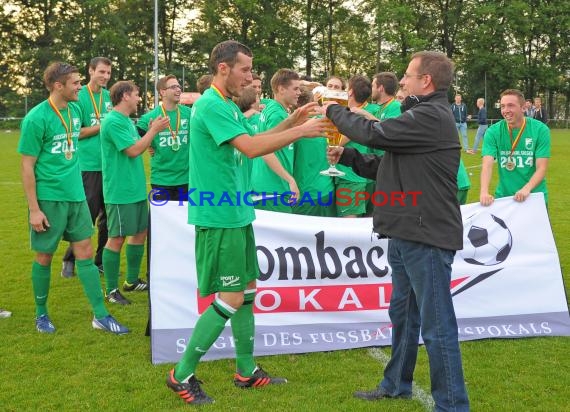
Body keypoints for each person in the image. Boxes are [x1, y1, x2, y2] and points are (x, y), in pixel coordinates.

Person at [165, 40, 329, 405]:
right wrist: (301, 132)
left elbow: (254, 139)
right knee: (232, 295)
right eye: (245, 70)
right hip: (219, 215)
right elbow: (252, 150)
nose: (251, 78)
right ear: (223, 68)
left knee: (248, 289)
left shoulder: (225, 104)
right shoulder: (211, 104)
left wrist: (292, 120)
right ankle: (181, 373)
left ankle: (245, 370)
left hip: (237, 211)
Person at [325, 51, 470, 411]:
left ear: (427, 82)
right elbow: (387, 169)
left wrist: (332, 109)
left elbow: (372, 133)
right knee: (403, 316)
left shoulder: (431, 116)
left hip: (427, 236)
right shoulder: (420, 116)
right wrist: (348, 158)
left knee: (437, 328)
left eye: (407, 75)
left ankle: (452, 405)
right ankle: (396, 384)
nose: (401, 81)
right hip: (406, 232)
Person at [18, 62, 128, 335]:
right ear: (58, 86)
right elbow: (26, 166)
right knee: (45, 256)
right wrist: (34, 209)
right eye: (75, 82)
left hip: (76, 195)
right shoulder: (36, 118)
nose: (79, 86)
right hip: (49, 198)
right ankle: (41, 314)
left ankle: (100, 315)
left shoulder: (75, 110)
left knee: (86, 254)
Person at [100, 81, 170, 305]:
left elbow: (139, 144)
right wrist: (153, 131)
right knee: (116, 238)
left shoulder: (126, 121)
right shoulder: (112, 121)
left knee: (140, 233)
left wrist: (149, 136)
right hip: (120, 191)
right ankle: (111, 290)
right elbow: (133, 151)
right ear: (125, 96)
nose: (139, 98)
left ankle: (131, 281)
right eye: (137, 94)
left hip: (135, 189)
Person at [61, 57, 112, 278]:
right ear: (90, 71)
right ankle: (69, 260)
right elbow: (77, 132)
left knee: (109, 217)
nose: (105, 77)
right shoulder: (79, 97)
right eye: (101, 72)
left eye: (108, 73)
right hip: (89, 165)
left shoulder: (110, 96)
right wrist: (103, 126)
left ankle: (100, 261)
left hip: (110, 165)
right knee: (87, 215)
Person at [480, 89, 550, 206]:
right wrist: (484, 192)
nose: (506, 110)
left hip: (534, 198)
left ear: (523, 108)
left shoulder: (540, 130)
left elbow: (541, 168)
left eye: (510, 105)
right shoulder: (492, 132)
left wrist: (527, 189)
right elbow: (487, 165)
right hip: (505, 199)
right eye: (503, 106)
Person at [251, 68, 301, 213]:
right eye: (295, 88)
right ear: (281, 89)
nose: (299, 92)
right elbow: (265, 151)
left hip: (266, 186)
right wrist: (290, 180)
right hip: (273, 189)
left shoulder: (272, 107)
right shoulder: (277, 114)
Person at [137, 75, 191, 202]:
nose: (178, 89)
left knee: (183, 221)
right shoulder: (149, 117)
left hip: (186, 180)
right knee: (160, 221)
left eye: (179, 86)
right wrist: (150, 139)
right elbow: (135, 144)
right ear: (162, 92)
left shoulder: (189, 114)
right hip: (161, 180)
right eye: (173, 87)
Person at [293, 87, 336, 217]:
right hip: (324, 190)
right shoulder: (326, 123)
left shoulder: (289, 126)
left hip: (303, 193)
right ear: (313, 103)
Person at [336, 75, 375, 218]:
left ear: (350, 92)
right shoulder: (353, 112)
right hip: (345, 175)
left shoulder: (357, 115)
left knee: (348, 226)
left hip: (352, 178)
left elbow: (337, 142)